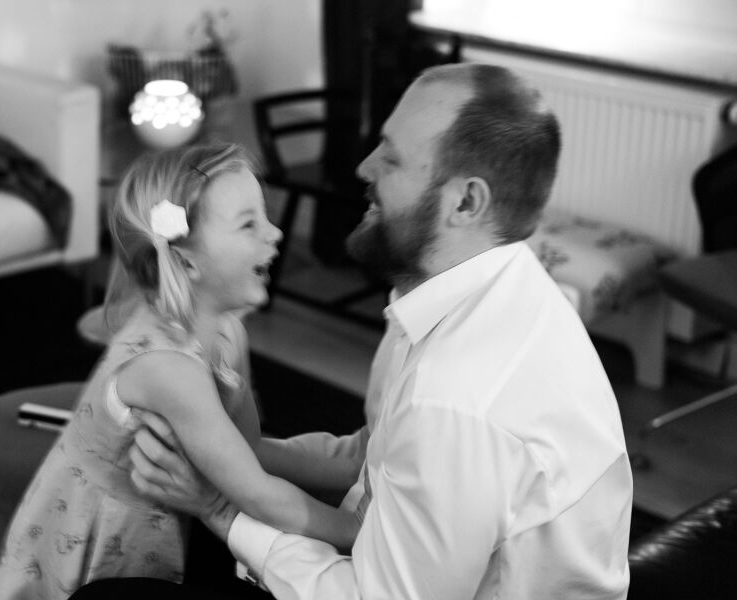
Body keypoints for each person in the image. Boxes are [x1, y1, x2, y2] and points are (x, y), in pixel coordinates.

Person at [85, 62, 635, 599]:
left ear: (466, 202)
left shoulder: (453, 402)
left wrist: (218, 506)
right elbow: (375, 457)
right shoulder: (474, 286)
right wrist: (233, 458)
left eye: (391, 158)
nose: (363, 167)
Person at [0, 143, 364, 600]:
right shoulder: (168, 371)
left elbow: (249, 451)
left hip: (162, 520)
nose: (276, 232)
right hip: (97, 533)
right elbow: (257, 493)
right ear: (186, 261)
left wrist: (353, 469)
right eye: (249, 223)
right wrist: (361, 533)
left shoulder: (228, 332)